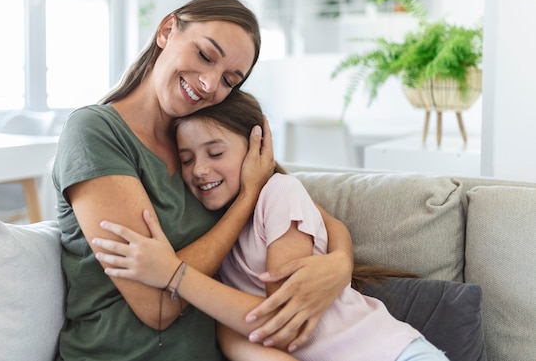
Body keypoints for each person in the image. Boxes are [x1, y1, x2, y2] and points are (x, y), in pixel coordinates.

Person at [52, 0, 354, 360]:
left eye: (230, 80)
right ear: (167, 30)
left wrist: (341, 264)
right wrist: (245, 200)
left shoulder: (204, 142)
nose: (211, 85)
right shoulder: (95, 132)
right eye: (205, 55)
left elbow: (305, 207)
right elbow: (156, 307)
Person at [93, 89, 451, 361]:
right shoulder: (213, 228)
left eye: (215, 153)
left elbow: (284, 323)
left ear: (257, 147)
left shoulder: (280, 193)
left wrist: (175, 274)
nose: (200, 169)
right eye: (187, 160)